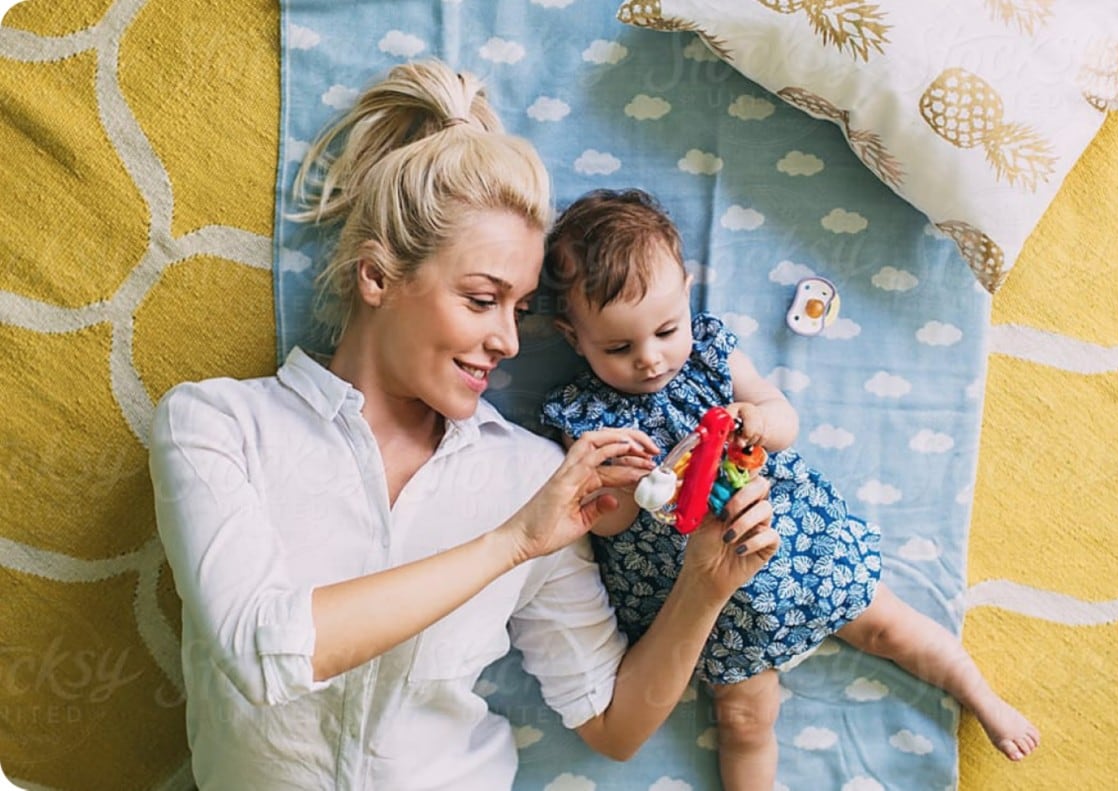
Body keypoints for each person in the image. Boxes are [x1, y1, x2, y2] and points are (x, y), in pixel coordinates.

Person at [148, 62, 780, 790]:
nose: (509, 341)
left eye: (519, 309)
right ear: (378, 277)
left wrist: (705, 583)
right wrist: (510, 543)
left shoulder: (533, 475)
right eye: (483, 300)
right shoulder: (215, 424)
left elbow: (612, 723)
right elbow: (267, 655)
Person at [540, 188, 1041, 791]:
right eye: (618, 348)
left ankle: (978, 694)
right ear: (574, 338)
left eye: (665, 330)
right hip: (705, 600)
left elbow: (780, 414)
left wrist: (761, 423)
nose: (650, 359)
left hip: (794, 544)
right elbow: (605, 523)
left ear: (686, 297)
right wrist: (617, 488)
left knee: (889, 627)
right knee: (746, 719)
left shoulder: (708, 355)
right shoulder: (586, 420)